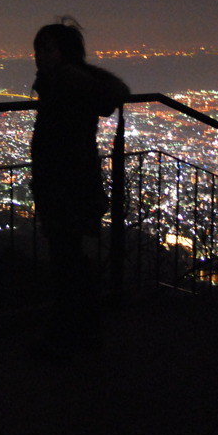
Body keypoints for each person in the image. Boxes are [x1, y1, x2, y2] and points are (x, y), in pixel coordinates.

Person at [30, 18, 129, 359]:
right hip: (74, 181)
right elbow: (111, 95)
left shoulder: (62, 86)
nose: (40, 56)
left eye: (48, 49)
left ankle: (69, 337)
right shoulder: (73, 84)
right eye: (38, 50)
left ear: (64, 54)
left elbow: (58, 141)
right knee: (69, 260)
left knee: (65, 263)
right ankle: (81, 333)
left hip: (63, 184)